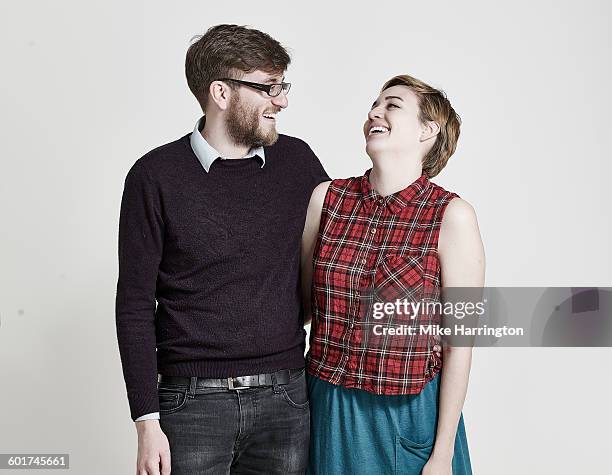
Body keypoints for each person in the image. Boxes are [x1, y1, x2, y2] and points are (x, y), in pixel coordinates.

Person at [115, 24, 329, 475]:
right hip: (190, 404)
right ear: (221, 93)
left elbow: (337, 253)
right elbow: (134, 305)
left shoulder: (299, 162)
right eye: (268, 88)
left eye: (282, 86)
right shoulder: (153, 177)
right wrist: (146, 421)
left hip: (286, 399)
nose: (282, 100)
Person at [301, 74, 485, 474]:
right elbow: (301, 307)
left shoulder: (453, 216)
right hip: (327, 405)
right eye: (374, 105)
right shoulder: (327, 199)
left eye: (392, 105)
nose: (374, 113)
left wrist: (442, 455)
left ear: (427, 129)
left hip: (407, 413)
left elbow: (460, 346)